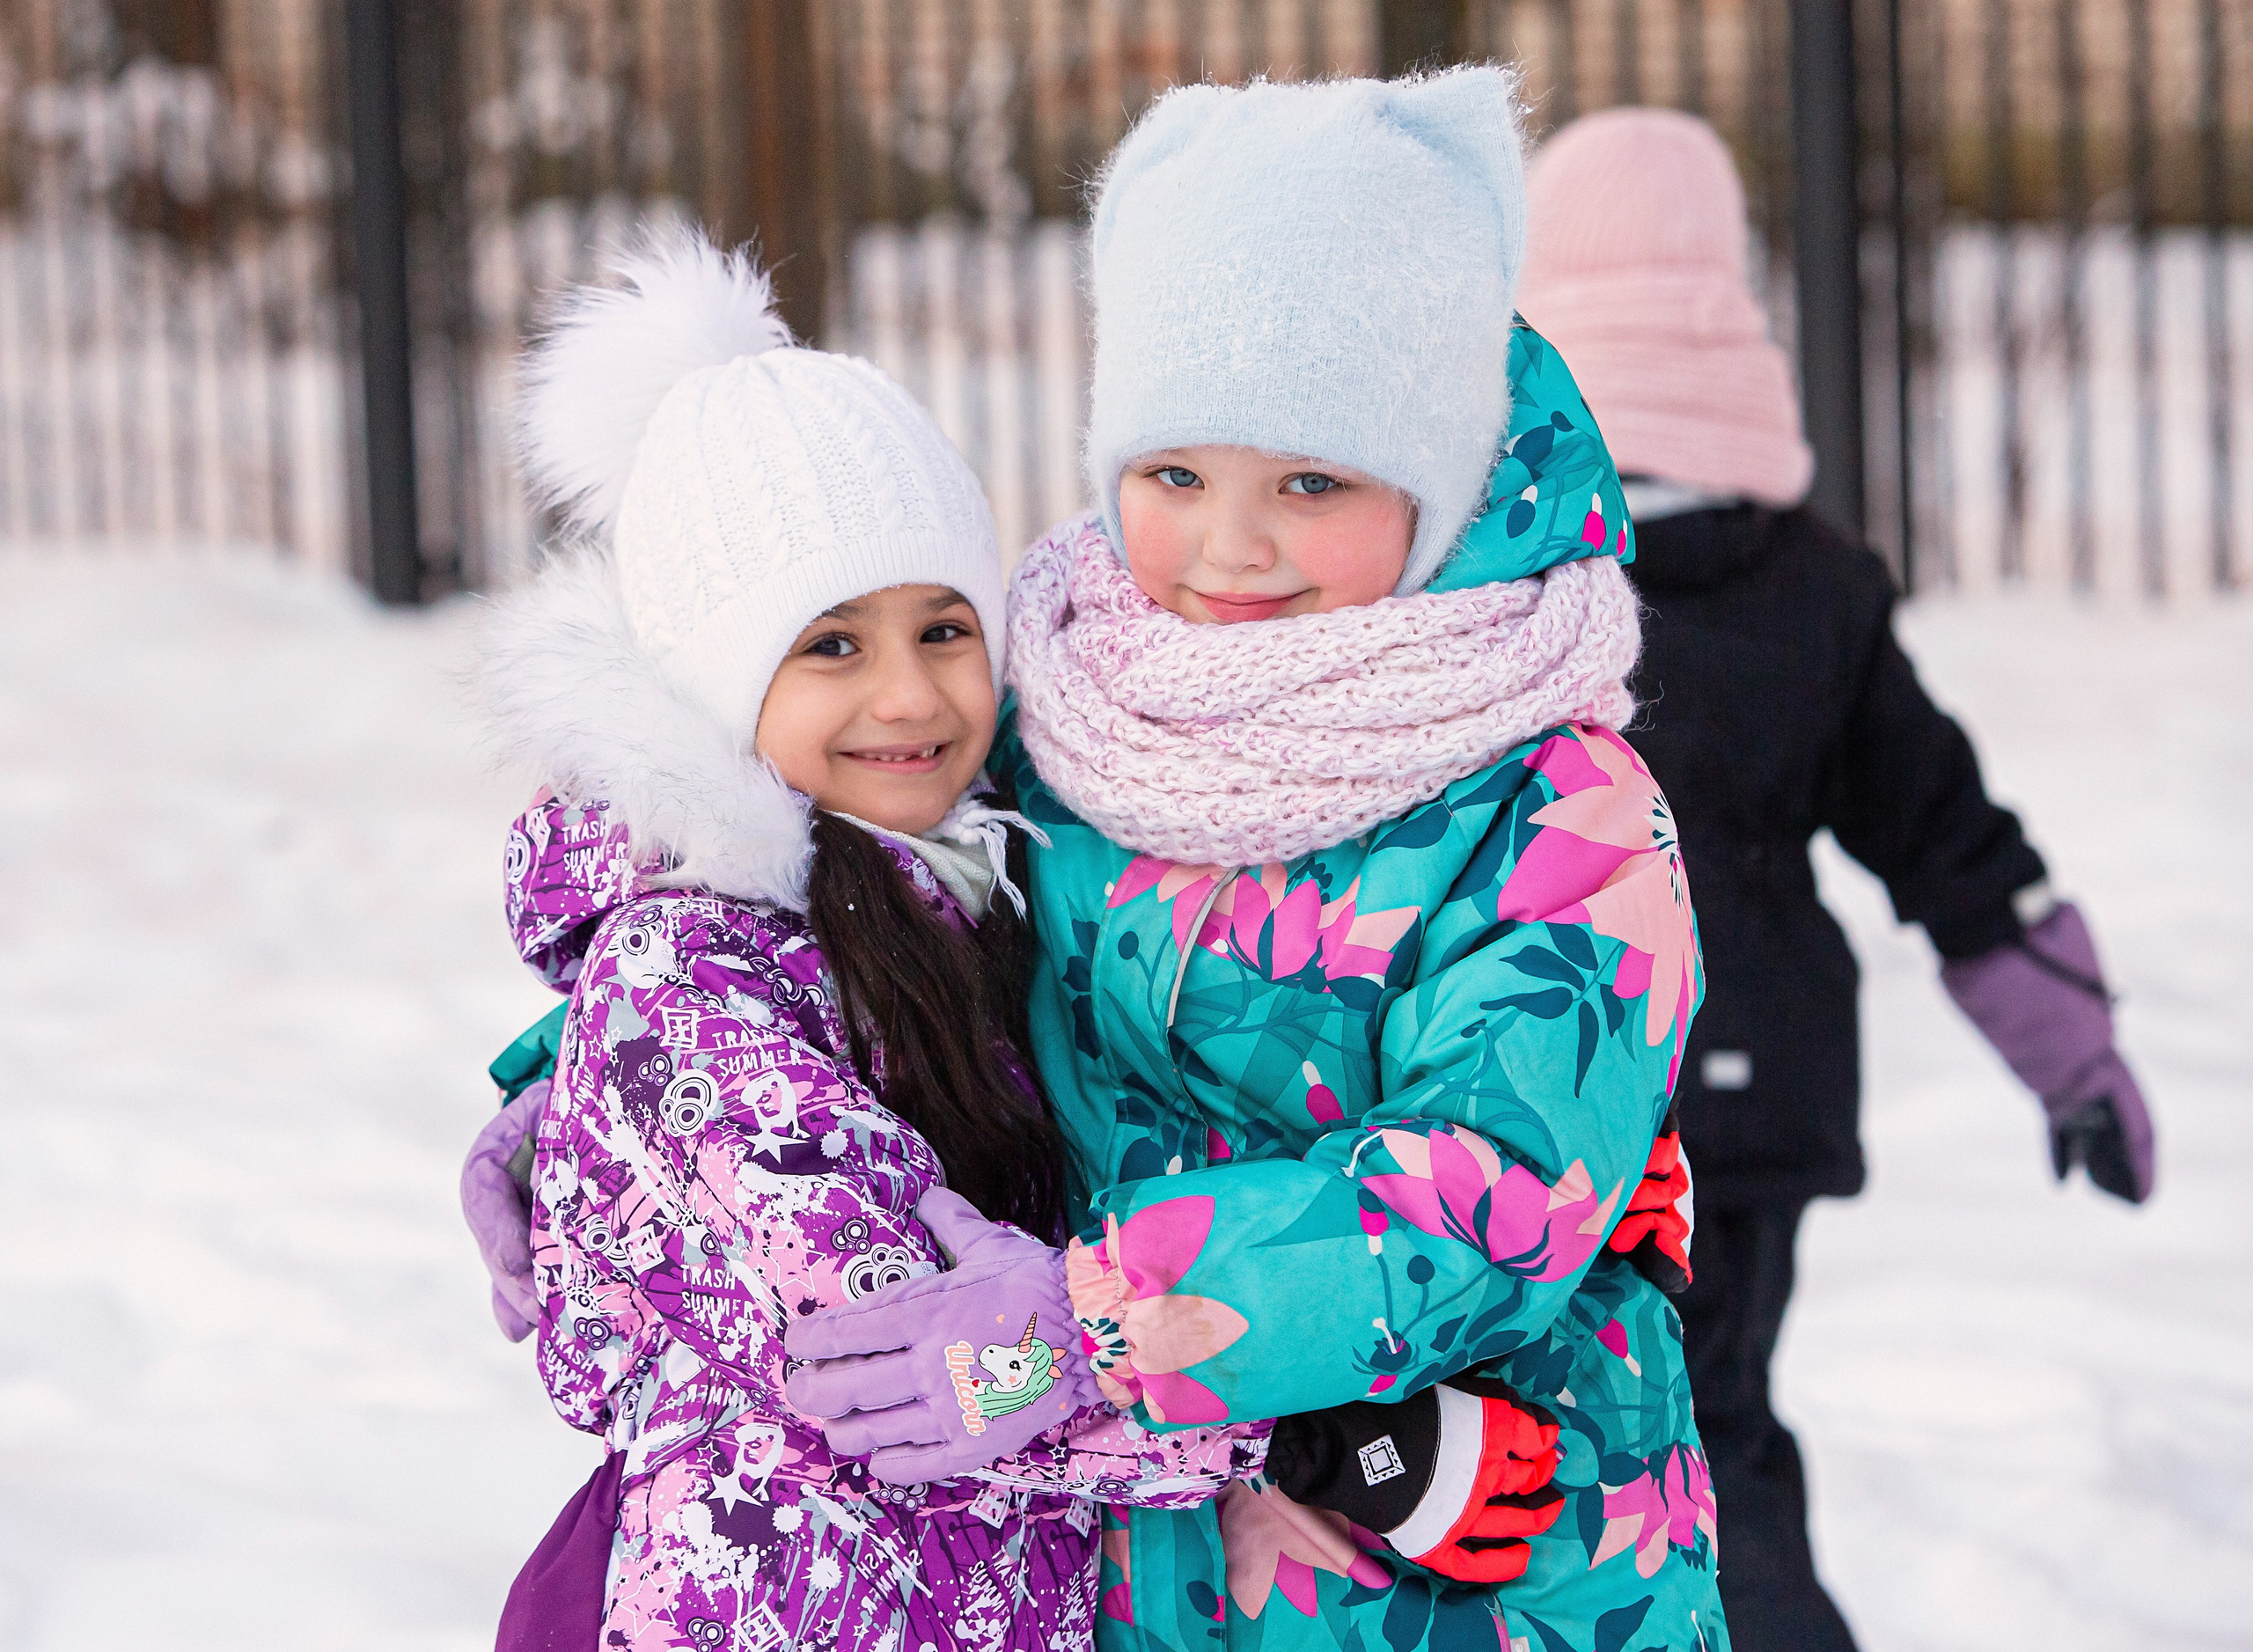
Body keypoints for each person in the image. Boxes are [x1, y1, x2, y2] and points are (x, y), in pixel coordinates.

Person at [785, 69, 1724, 1651]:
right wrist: (605, 1076)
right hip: (1122, 1554)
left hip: (1477, 1576)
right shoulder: (1069, 714)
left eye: (1311, 479)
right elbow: (849, 925)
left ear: (1430, 482)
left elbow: (1477, 1202)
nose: (1230, 548)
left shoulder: (1560, 809)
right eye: (1174, 475)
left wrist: (1089, 1326)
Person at [469, 232, 1286, 1652]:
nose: (908, 693)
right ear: (716, 677)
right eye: (831, 644)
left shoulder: (967, 894)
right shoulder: (684, 976)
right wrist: (1286, 1400)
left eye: (944, 627)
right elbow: (911, 1347)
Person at [1511, 106, 2158, 1652]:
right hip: (1748, 1103)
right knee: (1715, 1413)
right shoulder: (1815, 585)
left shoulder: (1516, 593)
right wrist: (2074, 1058)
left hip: (1546, 1091)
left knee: (1591, 1445)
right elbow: (1950, 841)